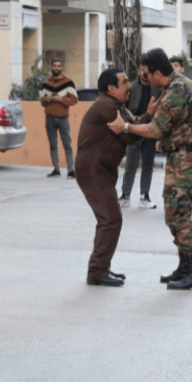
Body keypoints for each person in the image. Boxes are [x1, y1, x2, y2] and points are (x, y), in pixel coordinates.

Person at [108, 48, 192, 291]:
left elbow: (154, 130)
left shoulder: (175, 91)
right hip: (185, 155)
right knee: (176, 212)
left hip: (187, 158)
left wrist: (125, 128)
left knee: (177, 214)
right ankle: (185, 267)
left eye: (146, 74)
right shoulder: (179, 84)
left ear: (156, 73)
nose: (144, 79)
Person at [76, 68, 142, 287]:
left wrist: (149, 114)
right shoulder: (107, 106)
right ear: (112, 88)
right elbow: (131, 135)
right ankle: (97, 272)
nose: (129, 86)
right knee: (111, 220)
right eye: (124, 82)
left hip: (101, 171)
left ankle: (101, 268)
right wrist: (150, 118)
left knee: (109, 220)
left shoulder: (117, 106)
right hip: (93, 171)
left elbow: (132, 129)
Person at [119, 55, 161, 209]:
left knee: (148, 165)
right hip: (135, 129)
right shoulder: (131, 87)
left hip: (150, 129)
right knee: (131, 164)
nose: (144, 72)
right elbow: (123, 107)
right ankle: (125, 196)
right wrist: (130, 121)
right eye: (141, 68)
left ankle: (145, 196)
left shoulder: (157, 89)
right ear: (137, 70)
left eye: (146, 69)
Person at [40, 58, 78, 179]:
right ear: (51, 67)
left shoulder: (68, 82)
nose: (56, 68)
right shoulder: (46, 83)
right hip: (49, 118)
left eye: (58, 66)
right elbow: (42, 102)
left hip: (63, 118)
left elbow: (74, 100)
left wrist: (61, 99)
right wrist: (47, 99)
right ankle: (56, 170)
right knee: (53, 145)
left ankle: (71, 170)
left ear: (61, 67)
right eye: (54, 66)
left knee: (67, 144)